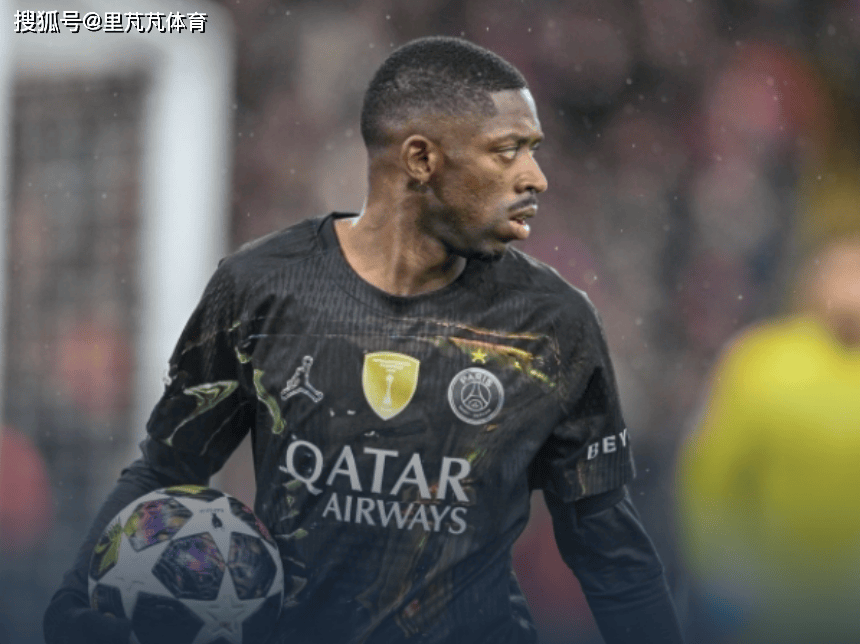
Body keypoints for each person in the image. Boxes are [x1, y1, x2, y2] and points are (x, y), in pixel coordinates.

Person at [43, 36, 682, 644]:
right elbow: (168, 466)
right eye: (508, 151)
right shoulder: (260, 289)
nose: (536, 177)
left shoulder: (552, 324)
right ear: (421, 160)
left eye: (533, 150)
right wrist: (74, 599)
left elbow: (606, 541)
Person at [675, 237, 860, 644]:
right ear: (812, 286)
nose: (855, 290)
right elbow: (710, 480)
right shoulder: (759, 365)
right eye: (844, 273)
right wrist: (724, 578)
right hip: (771, 614)